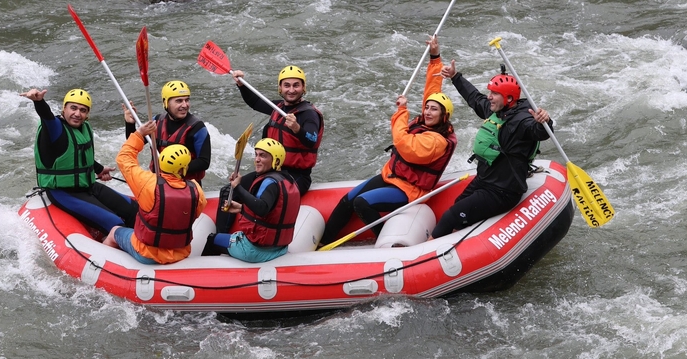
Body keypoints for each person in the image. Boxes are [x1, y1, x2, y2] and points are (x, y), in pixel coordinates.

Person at [319, 36, 457, 246]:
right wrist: (434, 57)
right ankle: (322, 244)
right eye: (427, 107)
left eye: (434, 109)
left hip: (409, 189)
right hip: (391, 176)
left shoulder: (437, 141)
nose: (427, 112)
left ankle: (386, 242)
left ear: (444, 116)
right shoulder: (428, 121)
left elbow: (404, 144)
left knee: (362, 202)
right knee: (347, 200)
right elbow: (433, 89)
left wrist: (402, 111)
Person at [429, 60, 553, 239]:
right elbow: (475, 98)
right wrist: (455, 77)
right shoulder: (498, 111)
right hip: (484, 181)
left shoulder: (521, 121)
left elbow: (539, 131)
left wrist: (545, 121)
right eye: (490, 92)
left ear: (509, 99)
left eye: (494, 93)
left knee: (451, 216)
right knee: (458, 207)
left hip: (503, 191)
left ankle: (427, 247)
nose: (489, 96)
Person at [21, 88, 139, 239]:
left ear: (87, 114)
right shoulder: (55, 128)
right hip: (63, 192)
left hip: (88, 186)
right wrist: (39, 102)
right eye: (73, 108)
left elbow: (79, 155)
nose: (77, 114)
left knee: (135, 211)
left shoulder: (84, 128)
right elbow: (47, 116)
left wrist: (99, 169)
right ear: (64, 109)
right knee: (115, 224)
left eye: (83, 110)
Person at [104, 122, 207, 265]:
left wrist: (139, 134)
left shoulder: (147, 184)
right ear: (183, 169)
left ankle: (108, 267)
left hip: (147, 253)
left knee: (115, 231)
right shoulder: (197, 191)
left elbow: (124, 159)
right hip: (180, 254)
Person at [230, 65, 323, 195]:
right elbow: (255, 102)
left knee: (265, 195)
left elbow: (312, 140)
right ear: (280, 88)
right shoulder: (278, 107)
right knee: (229, 191)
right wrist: (241, 85)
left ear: (303, 88)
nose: (291, 90)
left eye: (296, 85)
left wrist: (297, 128)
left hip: (296, 176)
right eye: (286, 85)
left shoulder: (309, 114)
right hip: (271, 171)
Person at [204, 139, 300, 263]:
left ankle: (200, 275)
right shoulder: (289, 180)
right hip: (280, 247)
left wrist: (237, 187)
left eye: (263, 156)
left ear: (276, 160)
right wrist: (241, 208)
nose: (257, 159)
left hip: (255, 251)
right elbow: (271, 213)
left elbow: (262, 208)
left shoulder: (269, 183)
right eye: (256, 155)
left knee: (213, 239)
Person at [124, 80, 211, 185]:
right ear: (166, 103)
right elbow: (133, 143)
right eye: (179, 101)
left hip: (186, 186)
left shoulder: (197, 128)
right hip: (160, 183)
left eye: (187, 100)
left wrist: (176, 169)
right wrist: (130, 124)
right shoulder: (157, 121)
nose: (185, 105)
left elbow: (204, 162)